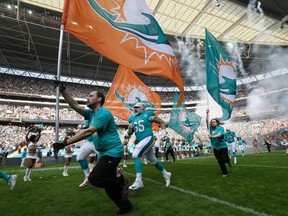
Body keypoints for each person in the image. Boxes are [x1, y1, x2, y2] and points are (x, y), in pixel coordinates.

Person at [52, 81, 132, 215]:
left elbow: (89, 132)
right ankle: (125, 207)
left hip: (113, 152)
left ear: (99, 99)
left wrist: (65, 142)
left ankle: (121, 182)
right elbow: (75, 105)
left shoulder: (104, 113)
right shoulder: (91, 113)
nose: (87, 98)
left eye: (90, 95)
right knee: (108, 186)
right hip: (104, 153)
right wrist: (63, 91)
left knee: (95, 179)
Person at [125, 102, 171, 190]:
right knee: (154, 161)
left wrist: (164, 133)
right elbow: (130, 131)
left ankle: (138, 181)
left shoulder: (148, 114)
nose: (134, 109)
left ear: (142, 108)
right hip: (141, 141)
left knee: (136, 154)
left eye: (137, 107)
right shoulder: (132, 119)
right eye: (134, 107)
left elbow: (161, 122)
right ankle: (166, 174)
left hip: (148, 138)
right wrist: (127, 135)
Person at [206, 109, 230, 177]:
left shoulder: (220, 128)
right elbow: (207, 121)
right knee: (220, 161)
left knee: (224, 159)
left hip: (222, 147)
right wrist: (207, 113)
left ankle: (228, 160)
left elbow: (219, 135)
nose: (212, 123)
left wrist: (212, 136)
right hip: (215, 148)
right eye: (212, 122)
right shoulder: (210, 128)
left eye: (214, 122)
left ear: (217, 123)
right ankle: (225, 173)